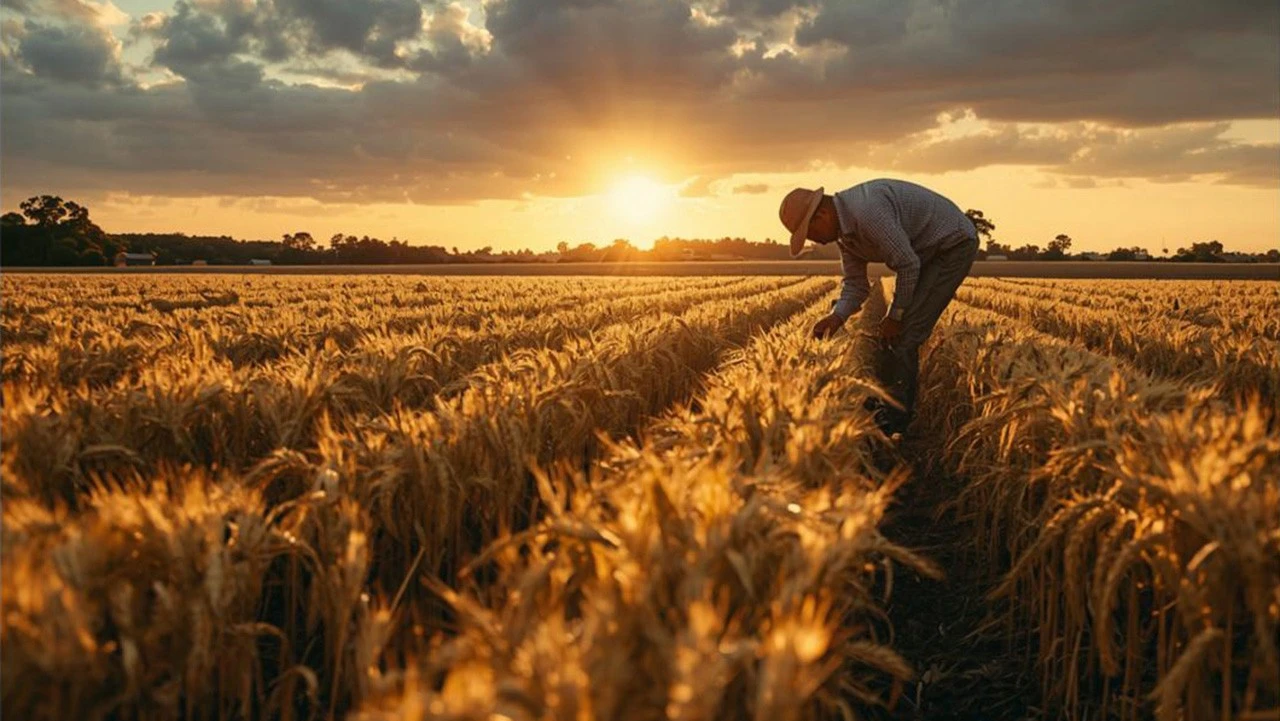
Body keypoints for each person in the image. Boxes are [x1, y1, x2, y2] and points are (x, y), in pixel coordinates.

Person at [778, 178, 979, 434]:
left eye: (810, 233)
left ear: (822, 215)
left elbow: (907, 265)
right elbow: (856, 284)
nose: (815, 241)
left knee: (906, 332)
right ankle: (889, 399)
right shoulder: (845, 236)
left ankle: (896, 421)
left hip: (952, 245)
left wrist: (895, 315)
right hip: (925, 251)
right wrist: (836, 316)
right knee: (895, 331)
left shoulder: (867, 212)